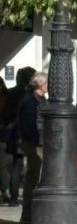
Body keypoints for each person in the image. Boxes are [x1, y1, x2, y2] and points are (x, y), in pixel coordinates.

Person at [1, 67, 35, 206]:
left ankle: (13, 196)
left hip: (13, 133)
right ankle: (26, 195)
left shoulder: (11, 93)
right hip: (26, 133)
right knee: (27, 165)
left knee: (16, 164)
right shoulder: (30, 95)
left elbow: (5, 114)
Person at [17, 72, 47, 224]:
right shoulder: (30, 100)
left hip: (39, 142)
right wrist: (36, 141)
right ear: (40, 84)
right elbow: (29, 124)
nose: (49, 85)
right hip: (34, 144)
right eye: (47, 82)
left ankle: (31, 213)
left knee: (36, 176)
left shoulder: (40, 99)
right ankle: (28, 213)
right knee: (34, 177)